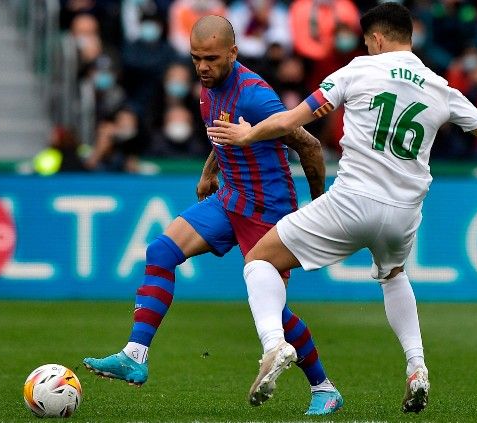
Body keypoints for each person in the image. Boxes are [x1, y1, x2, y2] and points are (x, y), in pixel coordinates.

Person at [207, 2, 477, 413]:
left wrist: (248, 136)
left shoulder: (357, 70)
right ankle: (417, 366)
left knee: (259, 261)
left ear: (376, 38)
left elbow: (290, 121)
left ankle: (275, 345)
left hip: (353, 200)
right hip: (404, 213)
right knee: (393, 275)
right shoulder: (439, 86)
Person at [83, 15, 344, 416]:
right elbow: (220, 132)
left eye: (211, 58)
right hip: (230, 198)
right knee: (161, 251)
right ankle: (135, 355)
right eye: (195, 58)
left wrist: (318, 205)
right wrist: (210, 172)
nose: (202, 66)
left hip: (267, 211)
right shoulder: (207, 89)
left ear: (233, 53)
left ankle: (324, 388)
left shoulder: (256, 95)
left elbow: (307, 144)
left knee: (273, 311)